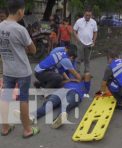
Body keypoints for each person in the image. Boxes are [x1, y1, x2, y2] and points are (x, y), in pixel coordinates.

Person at [0, 0, 40, 138]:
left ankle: (5, 128)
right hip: (22, 71)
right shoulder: (20, 29)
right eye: (23, 10)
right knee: (24, 99)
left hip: (7, 70)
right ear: (19, 11)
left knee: (5, 98)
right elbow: (33, 50)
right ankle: (27, 130)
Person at [14, 73, 91, 129]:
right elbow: (62, 82)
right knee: (49, 103)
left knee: (65, 104)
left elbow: (88, 75)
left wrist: (83, 77)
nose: (79, 75)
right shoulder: (70, 78)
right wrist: (70, 79)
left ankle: (59, 119)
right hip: (62, 90)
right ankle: (31, 117)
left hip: (75, 93)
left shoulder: (84, 84)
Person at [73, 8, 98, 73]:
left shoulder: (93, 22)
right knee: (79, 58)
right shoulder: (79, 21)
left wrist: (94, 41)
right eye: (87, 15)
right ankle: (77, 72)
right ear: (84, 14)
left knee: (87, 59)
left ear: (91, 15)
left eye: (89, 15)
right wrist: (77, 39)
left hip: (89, 43)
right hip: (80, 42)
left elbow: (95, 32)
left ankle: (86, 72)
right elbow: (74, 30)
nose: (88, 17)